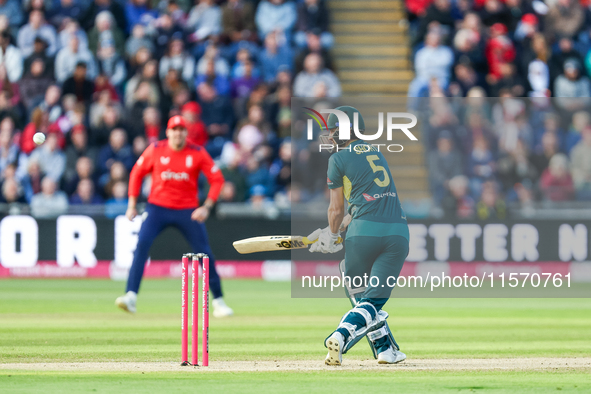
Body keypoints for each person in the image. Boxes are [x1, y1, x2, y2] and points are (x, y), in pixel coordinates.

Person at [307, 106, 408, 365]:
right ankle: (385, 349)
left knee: (363, 296)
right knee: (371, 301)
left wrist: (330, 234)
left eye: (333, 131)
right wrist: (338, 227)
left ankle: (340, 336)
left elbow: (336, 208)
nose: (329, 137)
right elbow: (361, 202)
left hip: (362, 235)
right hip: (396, 233)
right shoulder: (376, 151)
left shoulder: (337, 159)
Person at [115, 115, 233, 317]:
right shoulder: (156, 149)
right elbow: (136, 172)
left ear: (186, 133)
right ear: (168, 132)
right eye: (174, 129)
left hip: (187, 210)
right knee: (141, 246)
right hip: (157, 208)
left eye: (181, 129)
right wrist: (132, 204)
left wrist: (206, 207)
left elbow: (217, 179)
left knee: (204, 253)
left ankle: (219, 302)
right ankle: (131, 296)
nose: (178, 133)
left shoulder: (197, 152)